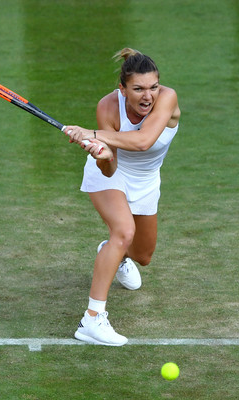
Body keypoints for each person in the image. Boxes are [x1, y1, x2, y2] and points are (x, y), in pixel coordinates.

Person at [64, 48, 180, 346]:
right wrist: (100, 153)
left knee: (143, 255)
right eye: (138, 89)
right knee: (124, 231)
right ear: (122, 89)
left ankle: (114, 253)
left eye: (153, 87)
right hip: (113, 176)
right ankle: (92, 320)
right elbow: (109, 167)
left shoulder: (168, 98)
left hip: (146, 180)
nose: (148, 96)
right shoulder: (108, 107)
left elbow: (142, 142)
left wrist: (92, 133)